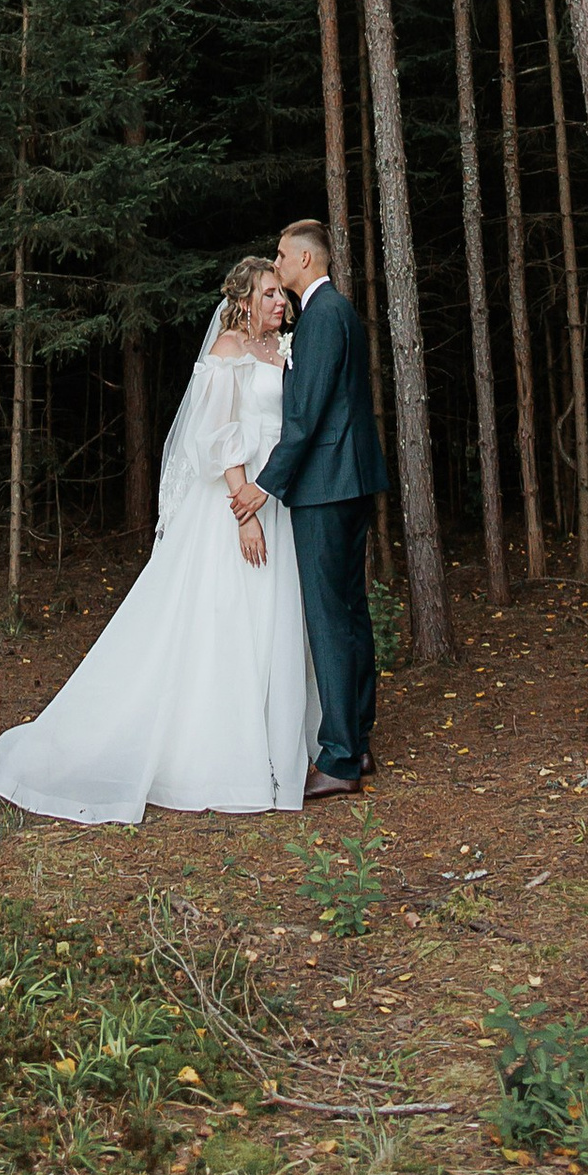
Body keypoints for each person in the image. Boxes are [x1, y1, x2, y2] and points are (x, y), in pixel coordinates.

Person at [0, 258, 317, 825]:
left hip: (276, 498)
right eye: (268, 294)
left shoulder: (281, 350)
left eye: (282, 293)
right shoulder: (229, 349)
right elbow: (216, 434)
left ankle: (273, 746)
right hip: (237, 500)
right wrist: (243, 511)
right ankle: (218, 752)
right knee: (226, 616)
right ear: (243, 302)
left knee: (272, 615)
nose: (280, 302)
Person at [233, 217, 387, 799]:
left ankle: (340, 759)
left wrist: (265, 486)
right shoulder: (334, 312)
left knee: (329, 618)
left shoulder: (322, 315)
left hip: (326, 485)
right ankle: (358, 740)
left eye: (280, 255)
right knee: (349, 613)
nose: (276, 263)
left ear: (304, 259)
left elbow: (306, 417)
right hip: (347, 480)